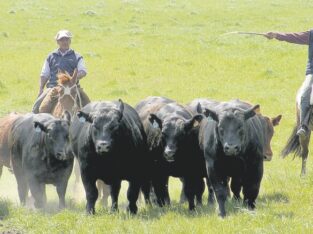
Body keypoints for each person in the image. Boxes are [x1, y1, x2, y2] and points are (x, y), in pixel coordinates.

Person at [265, 30, 311, 137]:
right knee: (305, 92)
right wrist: (276, 35)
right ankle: (303, 125)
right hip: (312, 73)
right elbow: (294, 36)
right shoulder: (311, 35)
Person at [32, 29, 88, 113]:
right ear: (57, 42)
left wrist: (74, 78)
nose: (65, 42)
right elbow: (44, 74)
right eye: (62, 40)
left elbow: (83, 71)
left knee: (88, 107)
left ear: (70, 41)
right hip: (54, 88)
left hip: (73, 88)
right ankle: (36, 124)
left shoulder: (77, 56)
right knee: (37, 107)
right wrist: (41, 89)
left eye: (67, 39)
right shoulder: (51, 56)